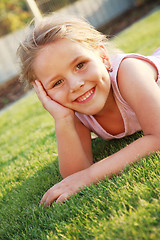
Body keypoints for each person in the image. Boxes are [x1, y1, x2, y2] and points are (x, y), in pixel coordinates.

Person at [17, 14, 160, 207]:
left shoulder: (129, 71)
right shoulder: (73, 108)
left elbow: (157, 137)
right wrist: (63, 118)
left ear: (103, 57)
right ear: (44, 93)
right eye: (57, 82)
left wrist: (90, 175)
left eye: (80, 65)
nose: (75, 85)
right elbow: (74, 175)